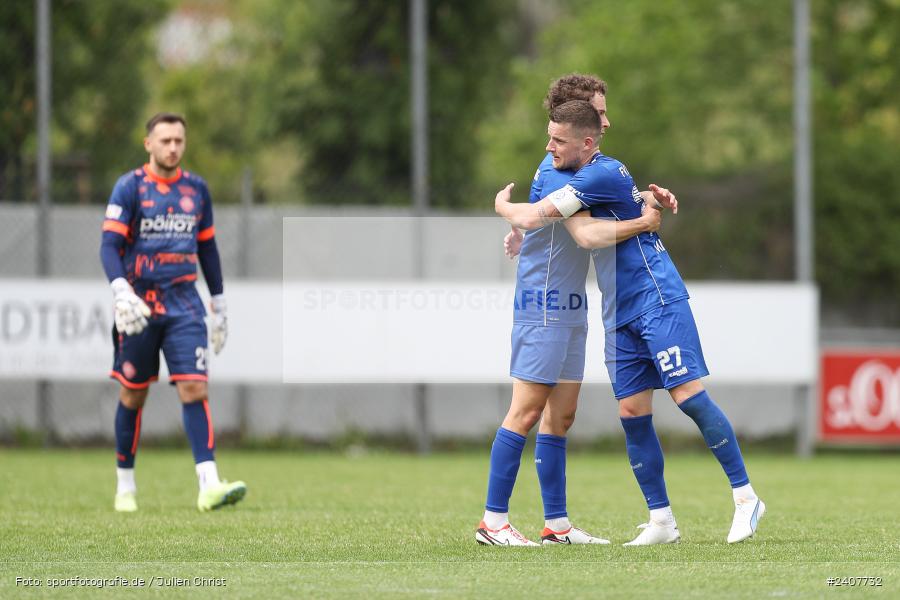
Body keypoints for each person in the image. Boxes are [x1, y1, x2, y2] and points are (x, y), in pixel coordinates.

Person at [495, 99, 764, 545]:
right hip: (617, 307)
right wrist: (644, 204)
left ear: (586, 140)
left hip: (655, 294)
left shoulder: (601, 170)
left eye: (557, 139)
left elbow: (581, 233)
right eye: (600, 109)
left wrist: (505, 208)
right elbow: (594, 211)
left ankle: (745, 497)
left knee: (688, 395)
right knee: (632, 411)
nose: (549, 146)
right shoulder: (575, 173)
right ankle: (662, 522)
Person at [476, 76, 665, 547]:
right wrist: (508, 211)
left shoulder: (582, 167)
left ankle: (556, 525)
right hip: (543, 304)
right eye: (599, 111)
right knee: (525, 410)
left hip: (570, 305)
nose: (607, 119)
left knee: (561, 417)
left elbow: (575, 210)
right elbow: (575, 229)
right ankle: (492, 522)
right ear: (575, 121)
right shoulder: (566, 168)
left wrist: (644, 196)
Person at [99, 112, 246, 513]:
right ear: (148, 143)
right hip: (139, 307)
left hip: (184, 304)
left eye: (179, 140)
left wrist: (220, 304)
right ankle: (125, 485)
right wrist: (121, 290)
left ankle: (209, 485)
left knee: (195, 387)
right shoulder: (129, 188)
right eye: (164, 140)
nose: (173, 147)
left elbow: (208, 249)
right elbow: (109, 246)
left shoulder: (197, 189)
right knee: (133, 394)